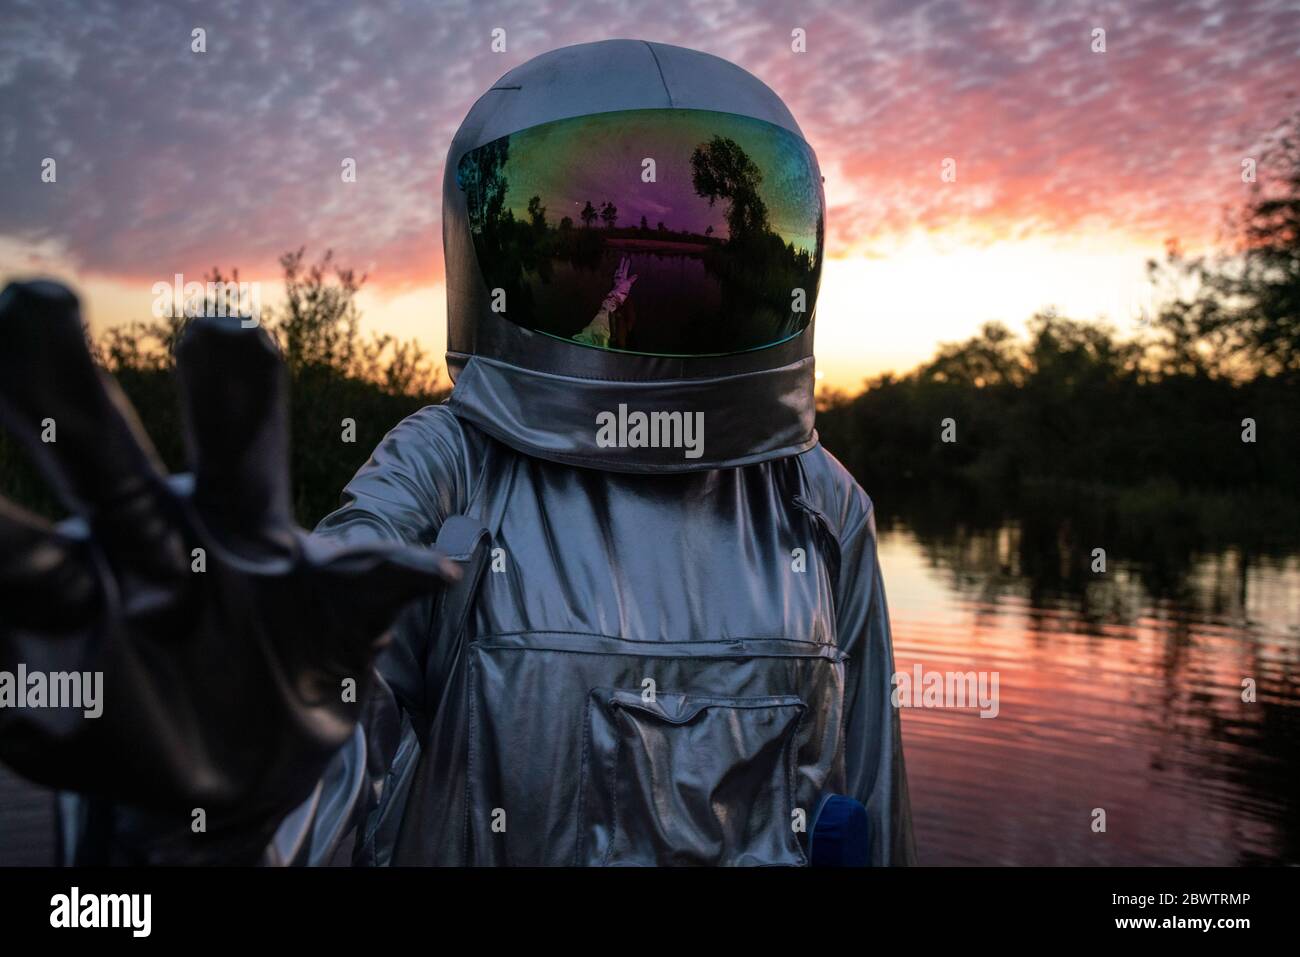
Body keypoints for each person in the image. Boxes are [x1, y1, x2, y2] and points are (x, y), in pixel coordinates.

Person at [0, 39, 915, 866]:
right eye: (595, 257)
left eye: (710, 248)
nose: (651, 305)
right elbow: (337, 698)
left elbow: (872, 798)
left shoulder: (821, 503)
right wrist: (228, 782)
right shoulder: (448, 465)